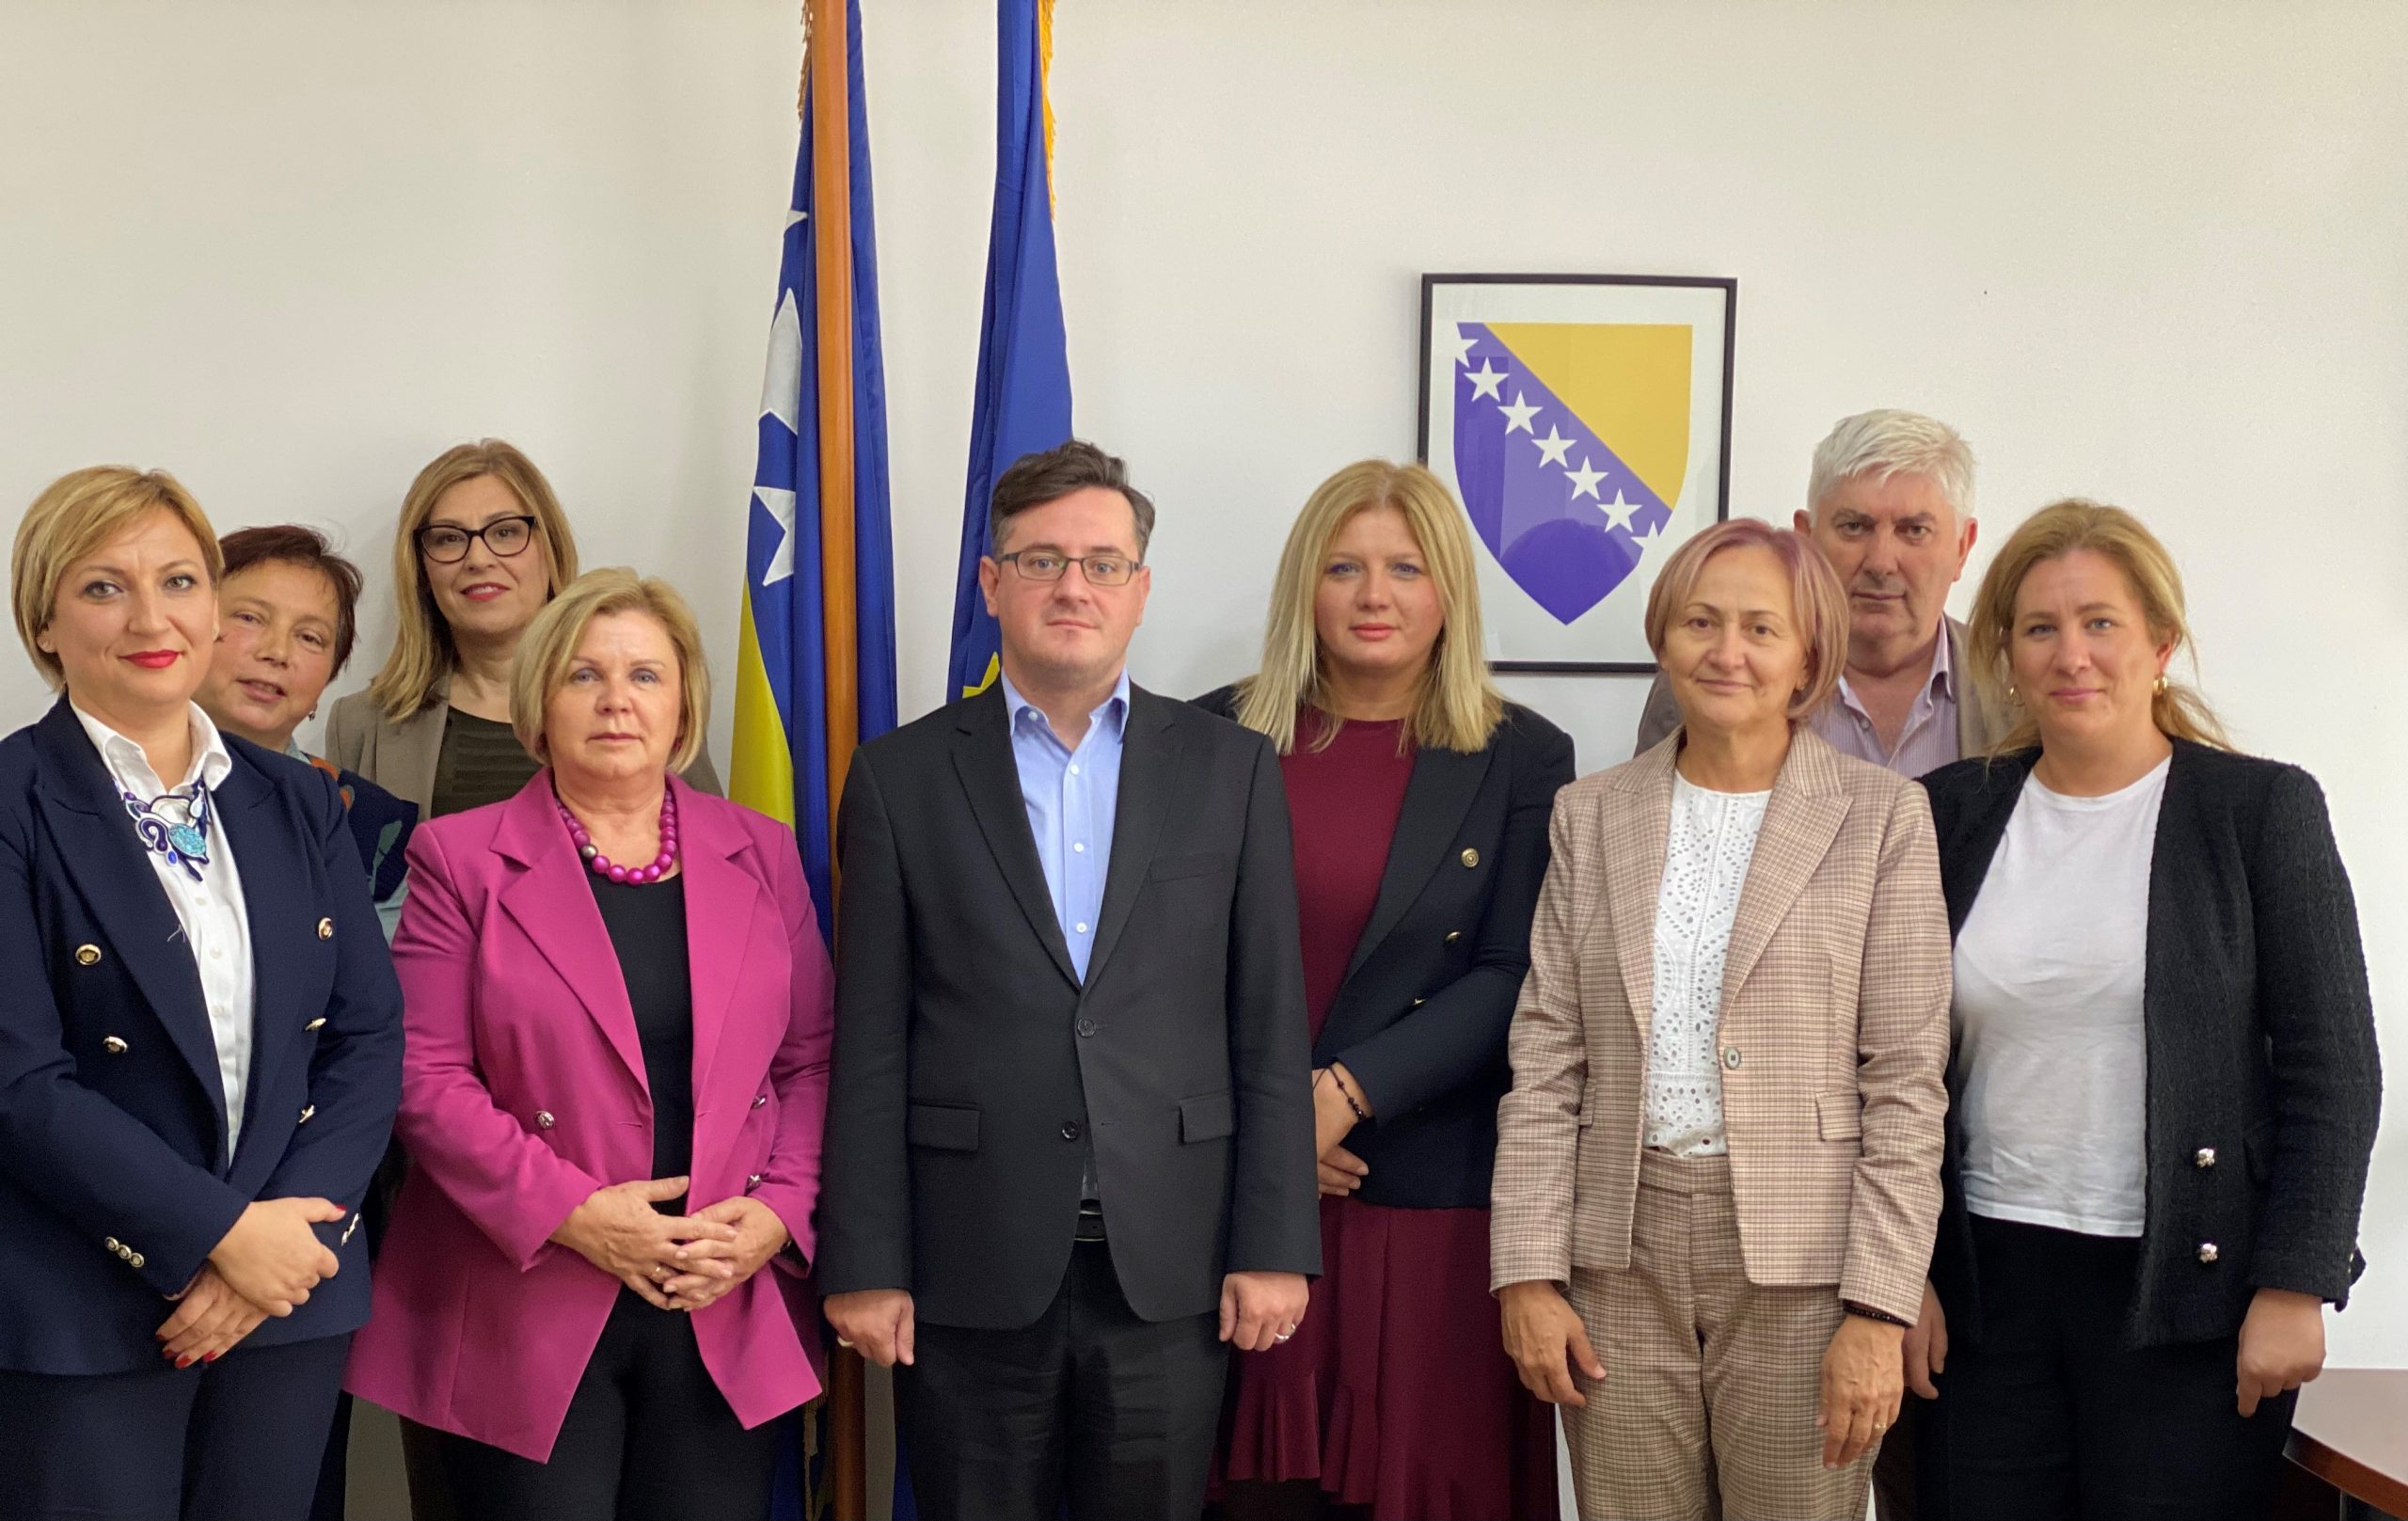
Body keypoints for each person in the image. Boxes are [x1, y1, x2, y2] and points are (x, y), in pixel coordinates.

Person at [819, 440, 1322, 1521]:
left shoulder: (1229, 768)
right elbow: (868, 1041)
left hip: (1172, 1268)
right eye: (1041, 560)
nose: (1072, 587)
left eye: (1102, 564)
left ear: (1140, 588)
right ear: (991, 583)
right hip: (968, 1264)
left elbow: (1269, 1025)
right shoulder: (902, 777)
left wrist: (1275, 1245)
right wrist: (865, 1258)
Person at [1910, 500, 2381, 1521]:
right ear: (2006, 655)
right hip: (1984, 1291)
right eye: (2040, 628)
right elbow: (1897, 1065)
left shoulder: (2258, 811)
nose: (2070, 654)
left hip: (2190, 1296)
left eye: (2100, 622)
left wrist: (2296, 1283)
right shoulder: (1949, 811)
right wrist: (1902, 1274)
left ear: (2161, 644)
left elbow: (2333, 1070)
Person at [342, 570, 832, 1519]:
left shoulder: (763, 851)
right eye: (583, 675)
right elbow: (425, 1077)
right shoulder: (459, 858)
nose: (616, 700)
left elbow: (811, 1059)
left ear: (683, 705)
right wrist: (574, 1213)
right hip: (525, 1293)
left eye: (645, 675)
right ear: (538, 705)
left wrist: (778, 1213)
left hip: (716, 1284)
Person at [1494, 516, 1952, 1521]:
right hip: (1616, 1258)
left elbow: (1906, 1086)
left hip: (1806, 1269)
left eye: (1760, 628)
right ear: (1663, 639)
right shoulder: (1590, 813)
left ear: (1808, 659)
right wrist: (1526, 1273)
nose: (1726, 651)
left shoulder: (1883, 817)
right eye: (1700, 621)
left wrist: (1878, 1308)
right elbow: (1548, 1058)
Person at [0, 467, 403, 1521]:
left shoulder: (296, 800)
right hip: (84, 1300)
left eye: (179, 581)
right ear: (43, 622)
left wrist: (282, 1250)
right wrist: (219, 1236)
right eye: (104, 587)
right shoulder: (11, 802)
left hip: (290, 1295)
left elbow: (365, 1037)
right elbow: (20, 1084)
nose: (152, 618)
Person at [1196, 460, 1572, 1521]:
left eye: (1406, 568)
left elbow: (1517, 973)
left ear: (1449, 591)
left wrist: (1345, 1093)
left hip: (1428, 1203)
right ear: (1303, 585)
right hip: (1239, 1201)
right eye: (1344, 567)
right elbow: (1160, 971)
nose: (1375, 595)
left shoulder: (1522, 755)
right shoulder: (1207, 739)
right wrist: (1273, 1131)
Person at [325, 438, 720, 820]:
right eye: (448, 539)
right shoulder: (362, 725)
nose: (478, 558)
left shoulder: (643, 702)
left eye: (505, 532)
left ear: (551, 548)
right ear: (421, 570)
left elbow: (712, 849)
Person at [1635, 409, 2008, 769]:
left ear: (1962, 547)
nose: (1881, 563)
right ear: (1807, 537)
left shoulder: (2017, 685)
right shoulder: (1713, 677)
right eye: (1854, 527)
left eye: (1914, 531)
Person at [196, 525, 416, 941]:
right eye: (250, 618)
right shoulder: (95, 785)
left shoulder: (370, 827)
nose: (277, 652)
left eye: (310, 637)